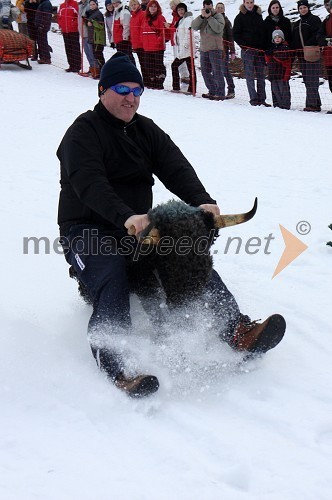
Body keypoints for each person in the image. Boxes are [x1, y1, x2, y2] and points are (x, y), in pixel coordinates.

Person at [57, 52, 286, 398]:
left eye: (137, 90)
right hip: (87, 230)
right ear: (102, 90)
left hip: (137, 228)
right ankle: (120, 365)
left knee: (186, 249)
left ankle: (237, 330)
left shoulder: (145, 130)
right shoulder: (82, 133)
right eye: (122, 88)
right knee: (112, 275)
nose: (131, 97)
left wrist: (202, 200)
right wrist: (125, 216)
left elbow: (175, 166)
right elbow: (89, 184)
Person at [233, 0, 270, 106]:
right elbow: (235, 34)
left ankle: (262, 99)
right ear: (244, 3)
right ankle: (253, 99)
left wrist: (263, 48)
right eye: (247, 2)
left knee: (261, 75)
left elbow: (263, 32)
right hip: (247, 51)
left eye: (251, 2)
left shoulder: (258, 15)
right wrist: (244, 47)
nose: (249, 4)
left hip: (259, 51)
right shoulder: (239, 17)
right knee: (249, 75)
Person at [292, 0, 325, 112]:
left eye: (304, 7)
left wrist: (308, 45)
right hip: (301, 55)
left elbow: (318, 34)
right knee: (307, 79)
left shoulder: (314, 20)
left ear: (308, 8)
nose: (303, 10)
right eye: (300, 8)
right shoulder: (297, 23)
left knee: (312, 79)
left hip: (311, 52)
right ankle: (316, 103)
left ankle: (311, 105)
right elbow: (295, 39)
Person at [191, 0, 226, 100]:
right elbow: (194, 26)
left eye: (210, 8)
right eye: (206, 8)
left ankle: (220, 93)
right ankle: (212, 90)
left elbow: (218, 28)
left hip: (215, 48)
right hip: (204, 48)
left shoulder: (218, 16)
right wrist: (202, 17)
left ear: (212, 6)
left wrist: (209, 17)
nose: (208, 10)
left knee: (217, 71)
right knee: (205, 71)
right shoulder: (202, 17)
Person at [170, 2, 196, 94]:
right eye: (179, 10)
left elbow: (188, 34)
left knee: (175, 65)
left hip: (187, 49)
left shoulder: (188, 19)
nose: (180, 11)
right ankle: (191, 88)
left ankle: (178, 87)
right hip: (183, 49)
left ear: (185, 10)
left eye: (182, 9)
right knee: (190, 68)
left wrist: (185, 46)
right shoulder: (182, 20)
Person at [141, 0, 167, 89]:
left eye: (155, 6)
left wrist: (158, 41)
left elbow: (162, 32)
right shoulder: (145, 18)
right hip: (147, 46)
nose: (152, 8)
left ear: (157, 8)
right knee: (148, 65)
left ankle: (159, 82)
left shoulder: (160, 18)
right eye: (151, 6)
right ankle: (152, 81)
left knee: (158, 65)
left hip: (157, 47)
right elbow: (142, 31)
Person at [265, 29, 291, 109]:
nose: (277, 39)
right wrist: (268, 54)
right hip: (273, 72)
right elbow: (268, 60)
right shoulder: (272, 48)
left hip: (282, 72)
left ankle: (285, 105)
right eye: (275, 37)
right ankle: (276, 103)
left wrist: (273, 54)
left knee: (283, 89)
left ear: (282, 38)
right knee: (275, 89)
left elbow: (283, 58)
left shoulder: (285, 47)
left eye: (279, 37)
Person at [215, 2, 236, 99]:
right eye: (218, 8)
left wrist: (232, 51)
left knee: (225, 69)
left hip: (224, 50)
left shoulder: (227, 22)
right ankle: (217, 88)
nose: (219, 9)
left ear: (224, 10)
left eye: (221, 8)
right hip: (214, 49)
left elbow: (231, 37)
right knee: (216, 70)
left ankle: (231, 89)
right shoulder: (212, 20)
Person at [58, 0, 81, 73]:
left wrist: (73, 24)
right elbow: (59, 17)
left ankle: (77, 66)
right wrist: (61, 25)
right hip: (65, 30)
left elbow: (78, 16)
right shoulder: (62, 5)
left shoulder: (75, 4)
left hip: (73, 30)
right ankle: (71, 65)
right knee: (68, 48)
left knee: (75, 48)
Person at [85, 0, 106, 79]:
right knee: (96, 56)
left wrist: (92, 22)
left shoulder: (98, 14)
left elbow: (101, 26)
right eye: (90, 4)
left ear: (96, 4)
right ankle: (99, 71)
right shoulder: (91, 13)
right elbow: (89, 25)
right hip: (93, 37)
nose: (92, 6)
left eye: (93, 4)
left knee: (98, 55)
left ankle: (102, 72)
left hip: (98, 39)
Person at [111, 0, 135, 64]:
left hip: (123, 40)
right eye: (113, 3)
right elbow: (113, 28)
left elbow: (126, 26)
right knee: (122, 59)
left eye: (116, 2)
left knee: (128, 58)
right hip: (118, 40)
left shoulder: (124, 11)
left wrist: (125, 38)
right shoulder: (116, 12)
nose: (115, 4)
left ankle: (132, 72)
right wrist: (112, 40)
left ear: (119, 2)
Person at [129, 0, 147, 82]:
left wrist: (142, 42)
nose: (133, 6)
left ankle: (148, 80)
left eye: (135, 4)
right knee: (142, 63)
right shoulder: (133, 17)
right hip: (136, 44)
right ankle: (145, 80)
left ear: (139, 5)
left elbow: (142, 30)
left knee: (145, 63)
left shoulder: (142, 14)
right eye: (132, 5)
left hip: (142, 44)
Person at [78, 0, 96, 76]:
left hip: (88, 32)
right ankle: (91, 67)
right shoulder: (80, 5)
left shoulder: (90, 5)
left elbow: (90, 18)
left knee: (91, 52)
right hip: (82, 32)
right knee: (87, 52)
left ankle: (96, 68)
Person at [35, 0, 53, 64]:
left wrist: (42, 25)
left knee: (43, 42)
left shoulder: (46, 3)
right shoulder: (42, 3)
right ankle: (43, 57)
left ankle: (47, 58)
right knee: (40, 41)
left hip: (43, 26)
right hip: (40, 25)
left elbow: (47, 15)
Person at [322, 0, 332, 114]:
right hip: (329, 56)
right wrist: (326, 41)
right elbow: (320, 34)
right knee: (331, 82)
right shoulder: (326, 20)